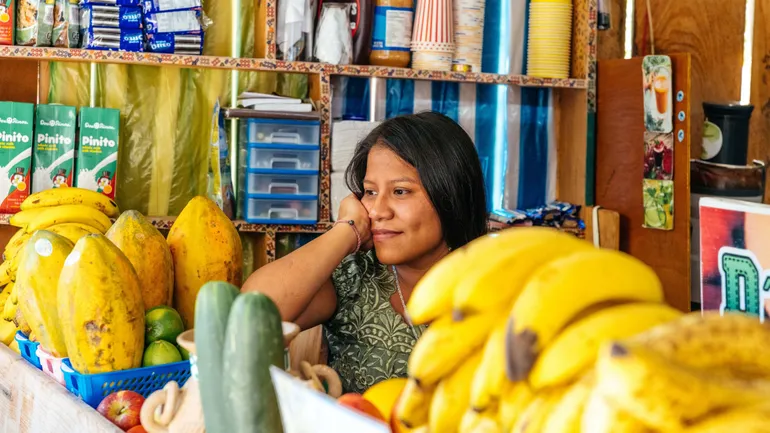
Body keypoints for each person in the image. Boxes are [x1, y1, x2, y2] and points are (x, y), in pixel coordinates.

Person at [242, 111, 488, 393]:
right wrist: (346, 230)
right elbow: (252, 313)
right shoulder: (354, 276)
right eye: (370, 192)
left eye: (400, 191)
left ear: (451, 195)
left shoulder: (497, 281)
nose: (378, 211)